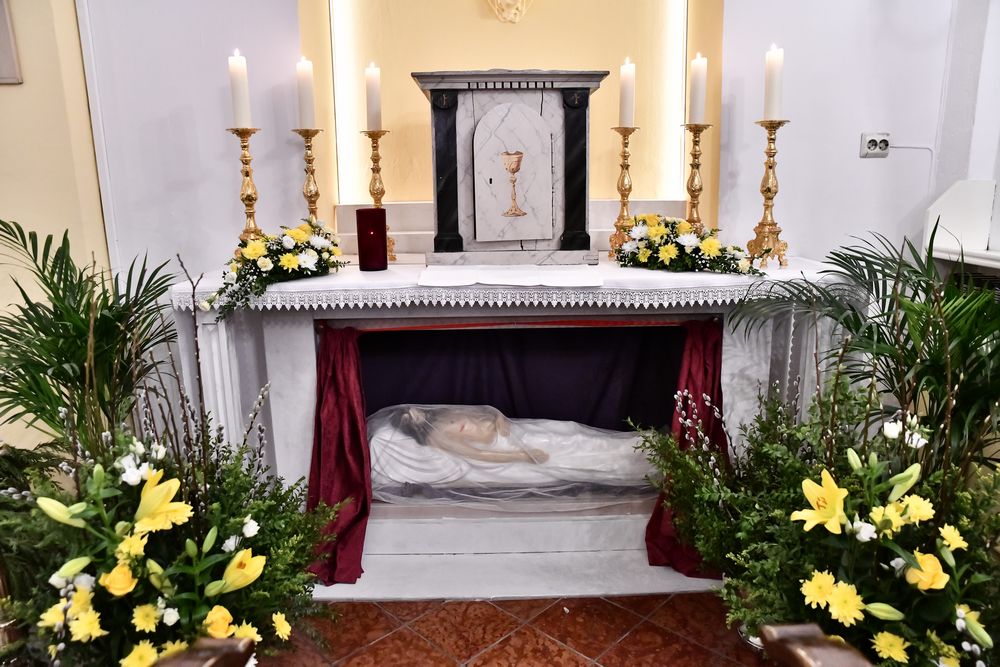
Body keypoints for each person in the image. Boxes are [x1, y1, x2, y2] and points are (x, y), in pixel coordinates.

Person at [395, 405, 549, 464]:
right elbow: (479, 454)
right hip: (500, 443)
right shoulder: (435, 436)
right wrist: (523, 456)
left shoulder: (440, 414)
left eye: (411, 410)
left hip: (509, 429)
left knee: (553, 432)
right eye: (409, 417)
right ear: (410, 427)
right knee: (551, 441)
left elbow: (486, 411)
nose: (414, 412)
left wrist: (500, 419)